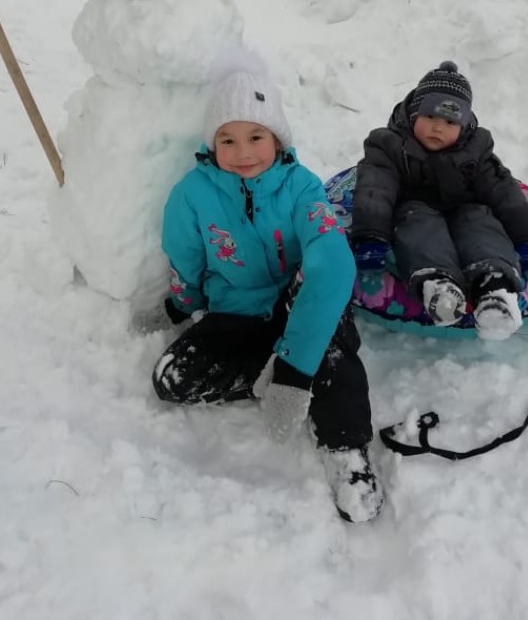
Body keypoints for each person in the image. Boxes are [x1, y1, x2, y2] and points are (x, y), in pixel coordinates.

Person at [149, 59, 383, 523]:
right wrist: (182, 303)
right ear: (211, 144)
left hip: (300, 306)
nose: (243, 152)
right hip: (235, 312)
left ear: (277, 139)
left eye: (256, 137)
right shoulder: (191, 194)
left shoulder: (301, 188)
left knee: (329, 346)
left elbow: (333, 262)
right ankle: (271, 369)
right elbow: (186, 257)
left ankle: (346, 451)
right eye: (227, 140)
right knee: (170, 379)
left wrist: (296, 371)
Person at [350, 61, 528, 340]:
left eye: (450, 121)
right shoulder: (389, 146)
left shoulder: (476, 150)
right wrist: (370, 235)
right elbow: (374, 187)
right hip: (414, 207)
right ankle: (438, 285)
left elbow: (504, 191)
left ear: (464, 125)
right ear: (413, 114)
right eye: (430, 117)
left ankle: (495, 290)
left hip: (464, 207)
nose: (437, 128)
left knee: (480, 221)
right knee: (420, 228)